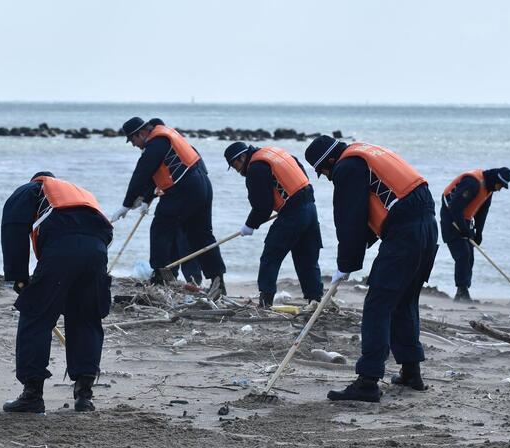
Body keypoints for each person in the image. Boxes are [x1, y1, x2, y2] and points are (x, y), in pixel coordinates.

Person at [304, 135, 438, 402]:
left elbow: (350, 218)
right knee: (404, 301)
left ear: (329, 161)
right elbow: (379, 213)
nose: (327, 177)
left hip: (404, 234)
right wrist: (351, 258)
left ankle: (367, 382)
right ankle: (412, 372)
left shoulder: (347, 167)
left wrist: (346, 263)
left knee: (378, 304)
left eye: (323, 172)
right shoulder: (367, 153)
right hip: (427, 227)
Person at [0, 172, 113, 413]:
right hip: (97, 250)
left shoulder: (31, 189)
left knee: (35, 315)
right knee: (86, 318)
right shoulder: (79, 193)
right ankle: (84, 395)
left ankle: (32, 395)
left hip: (63, 247)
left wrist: (18, 276)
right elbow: (104, 231)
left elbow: (13, 228)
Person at [111, 117, 226, 291]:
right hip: (202, 186)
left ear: (141, 133)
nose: (134, 145)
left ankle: (160, 277)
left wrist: (126, 204)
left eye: (132, 140)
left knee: (160, 229)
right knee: (201, 236)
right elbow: (155, 174)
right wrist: (146, 200)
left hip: (184, 189)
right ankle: (218, 282)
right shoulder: (168, 138)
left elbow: (142, 172)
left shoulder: (157, 142)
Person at [223, 142, 323, 308]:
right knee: (307, 257)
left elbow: (263, 206)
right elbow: (298, 167)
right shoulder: (273, 152)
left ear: (242, 157)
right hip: (310, 206)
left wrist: (250, 225)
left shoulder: (255, 168)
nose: (237, 170)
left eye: (235, 165)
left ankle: (265, 300)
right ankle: (315, 300)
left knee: (271, 255)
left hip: (293, 213)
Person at [440, 168, 510, 302]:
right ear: (495, 180)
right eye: (500, 185)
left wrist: (479, 233)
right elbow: (455, 207)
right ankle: (461, 292)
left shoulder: (489, 189)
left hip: (465, 220)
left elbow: (482, 213)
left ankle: (463, 290)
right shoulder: (472, 183)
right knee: (463, 254)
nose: (500, 189)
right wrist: (463, 229)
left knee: (470, 256)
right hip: (451, 219)